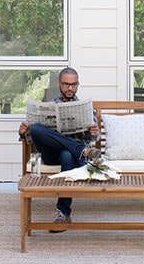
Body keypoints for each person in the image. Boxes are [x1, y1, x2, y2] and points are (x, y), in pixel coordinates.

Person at [18, 67, 99, 230]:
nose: (70, 88)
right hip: (51, 154)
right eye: (66, 84)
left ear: (78, 85)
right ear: (59, 84)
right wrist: (23, 132)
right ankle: (80, 149)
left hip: (72, 157)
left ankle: (63, 214)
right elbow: (31, 138)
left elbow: (94, 138)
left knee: (67, 154)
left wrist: (94, 133)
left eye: (74, 84)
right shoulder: (49, 106)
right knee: (36, 129)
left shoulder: (86, 109)